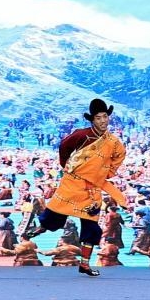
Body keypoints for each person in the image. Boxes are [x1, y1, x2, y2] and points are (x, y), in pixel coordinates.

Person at [24, 98, 127, 277]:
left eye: (105, 117)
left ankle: (84, 264)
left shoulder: (113, 141)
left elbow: (120, 156)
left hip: (93, 187)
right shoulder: (81, 135)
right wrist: (67, 166)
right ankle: (42, 226)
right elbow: (64, 147)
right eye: (98, 118)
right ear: (92, 119)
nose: (103, 121)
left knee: (91, 225)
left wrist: (107, 172)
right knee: (57, 209)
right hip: (74, 182)